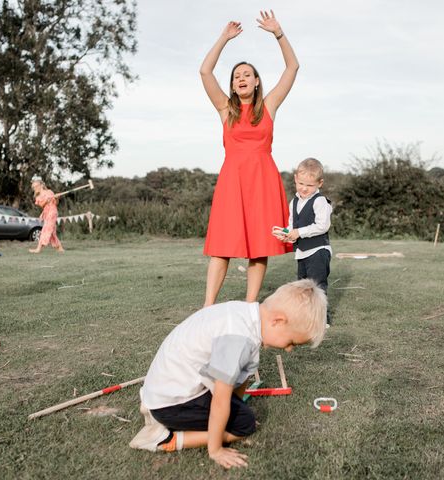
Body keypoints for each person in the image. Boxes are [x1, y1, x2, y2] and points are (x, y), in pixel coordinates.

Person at [129, 279, 327, 469]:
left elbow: (241, 377)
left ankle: (162, 412)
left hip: (165, 389)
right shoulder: (238, 340)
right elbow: (221, 400)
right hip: (171, 403)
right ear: (278, 321)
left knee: (236, 413)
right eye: (291, 342)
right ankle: (167, 439)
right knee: (244, 424)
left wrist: (235, 407)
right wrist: (216, 449)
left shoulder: (244, 315)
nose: (289, 349)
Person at [200, 10, 299, 306]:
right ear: (232, 86)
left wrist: (279, 33)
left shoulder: (269, 106)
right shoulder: (225, 110)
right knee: (221, 246)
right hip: (232, 181)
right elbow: (205, 72)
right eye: (237, 76)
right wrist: (224, 38)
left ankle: (250, 304)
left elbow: (292, 67)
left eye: (247, 75)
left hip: (263, 180)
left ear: (256, 82)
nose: (241, 78)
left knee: (259, 247)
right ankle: (208, 306)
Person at [272, 158, 332, 325]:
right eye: (301, 183)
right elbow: (292, 226)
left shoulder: (320, 201)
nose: (304, 188)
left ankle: (321, 320)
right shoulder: (295, 201)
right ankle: (305, 316)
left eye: (310, 185)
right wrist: (286, 233)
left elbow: (323, 226)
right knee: (303, 287)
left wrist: (299, 232)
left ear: (320, 183)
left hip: (318, 251)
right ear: (295, 178)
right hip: (302, 252)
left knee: (317, 287)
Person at [29, 175, 64, 254]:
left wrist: (57, 198)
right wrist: (46, 200)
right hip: (46, 213)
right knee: (52, 232)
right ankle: (60, 248)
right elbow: (42, 204)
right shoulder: (38, 197)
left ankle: (38, 249)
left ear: (40, 185)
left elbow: (55, 203)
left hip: (52, 211)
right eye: (34, 187)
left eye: (35, 186)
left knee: (46, 229)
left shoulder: (50, 192)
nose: (34, 189)